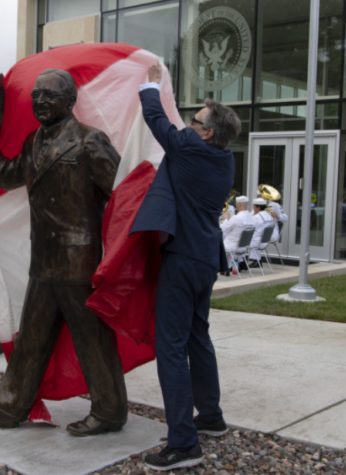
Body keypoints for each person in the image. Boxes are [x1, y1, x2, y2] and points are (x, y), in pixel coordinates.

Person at [0, 69, 127, 437]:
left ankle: (109, 411)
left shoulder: (90, 140)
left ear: (70, 102)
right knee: (31, 340)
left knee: (92, 339)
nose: (39, 102)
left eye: (49, 95)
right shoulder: (33, 140)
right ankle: (8, 407)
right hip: (44, 260)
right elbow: (7, 176)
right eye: (36, 95)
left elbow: (121, 191)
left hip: (79, 261)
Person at [131, 62, 240, 471]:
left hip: (182, 260)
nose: (189, 124)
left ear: (207, 132)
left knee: (172, 348)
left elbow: (157, 119)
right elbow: (174, 129)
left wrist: (152, 84)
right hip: (206, 259)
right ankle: (210, 416)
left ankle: (183, 442)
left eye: (195, 121)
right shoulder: (224, 160)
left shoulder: (191, 147)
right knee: (198, 337)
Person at [220, 196, 253, 274]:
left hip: (231, 246)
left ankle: (224, 268)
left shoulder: (237, 218)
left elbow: (224, 229)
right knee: (229, 249)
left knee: (218, 244)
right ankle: (232, 270)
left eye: (237, 204)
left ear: (239, 204)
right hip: (242, 248)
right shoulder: (251, 218)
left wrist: (225, 219)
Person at [248, 197, 275, 266]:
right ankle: (256, 260)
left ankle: (238, 264)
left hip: (256, 243)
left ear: (258, 207)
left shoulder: (257, 217)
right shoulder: (269, 216)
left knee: (237, 241)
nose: (253, 208)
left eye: (254, 206)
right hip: (264, 242)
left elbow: (249, 227)